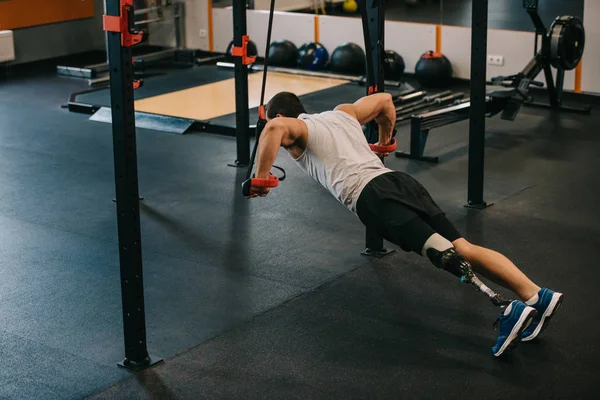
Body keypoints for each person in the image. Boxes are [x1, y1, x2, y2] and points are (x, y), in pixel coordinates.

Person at [248, 91, 563, 357]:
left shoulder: (294, 130)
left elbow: (274, 128)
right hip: (399, 182)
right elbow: (385, 101)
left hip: (373, 198)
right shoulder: (341, 114)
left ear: (286, 117)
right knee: (463, 247)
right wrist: (384, 142)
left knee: (443, 254)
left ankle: (508, 308)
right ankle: (536, 295)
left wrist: (261, 178)